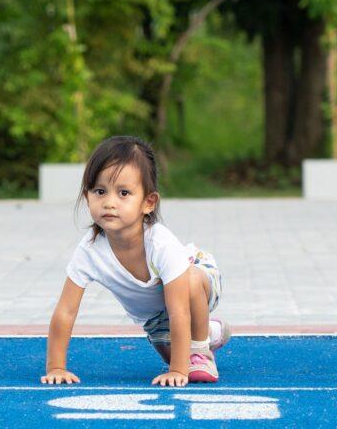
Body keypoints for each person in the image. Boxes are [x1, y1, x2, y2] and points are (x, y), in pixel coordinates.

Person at [41, 135, 229, 387]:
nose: (109, 202)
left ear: (148, 203)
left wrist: (178, 370)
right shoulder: (89, 250)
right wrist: (56, 367)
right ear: (87, 198)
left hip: (196, 279)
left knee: (190, 291)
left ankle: (201, 347)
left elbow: (179, 310)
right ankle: (208, 331)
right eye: (100, 191)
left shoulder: (160, 242)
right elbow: (66, 310)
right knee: (173, 351)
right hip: (155, 316)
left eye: (124, 193)